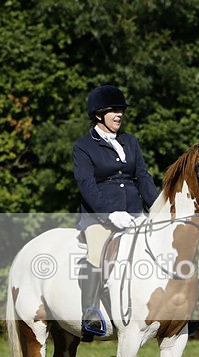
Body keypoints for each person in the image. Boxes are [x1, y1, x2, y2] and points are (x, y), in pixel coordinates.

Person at [73, 84, 158, 341]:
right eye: (113, 110)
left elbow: (142, 177)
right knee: (97, 249)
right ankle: (89, 312)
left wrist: (157, 209)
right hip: (100, 217)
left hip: (135, 212)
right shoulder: (84, 146)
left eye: (121, 110)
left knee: (163, 246)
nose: (119, 114)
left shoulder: (130, 141)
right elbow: (87, 185)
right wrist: (109, 214)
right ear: (99, 114)